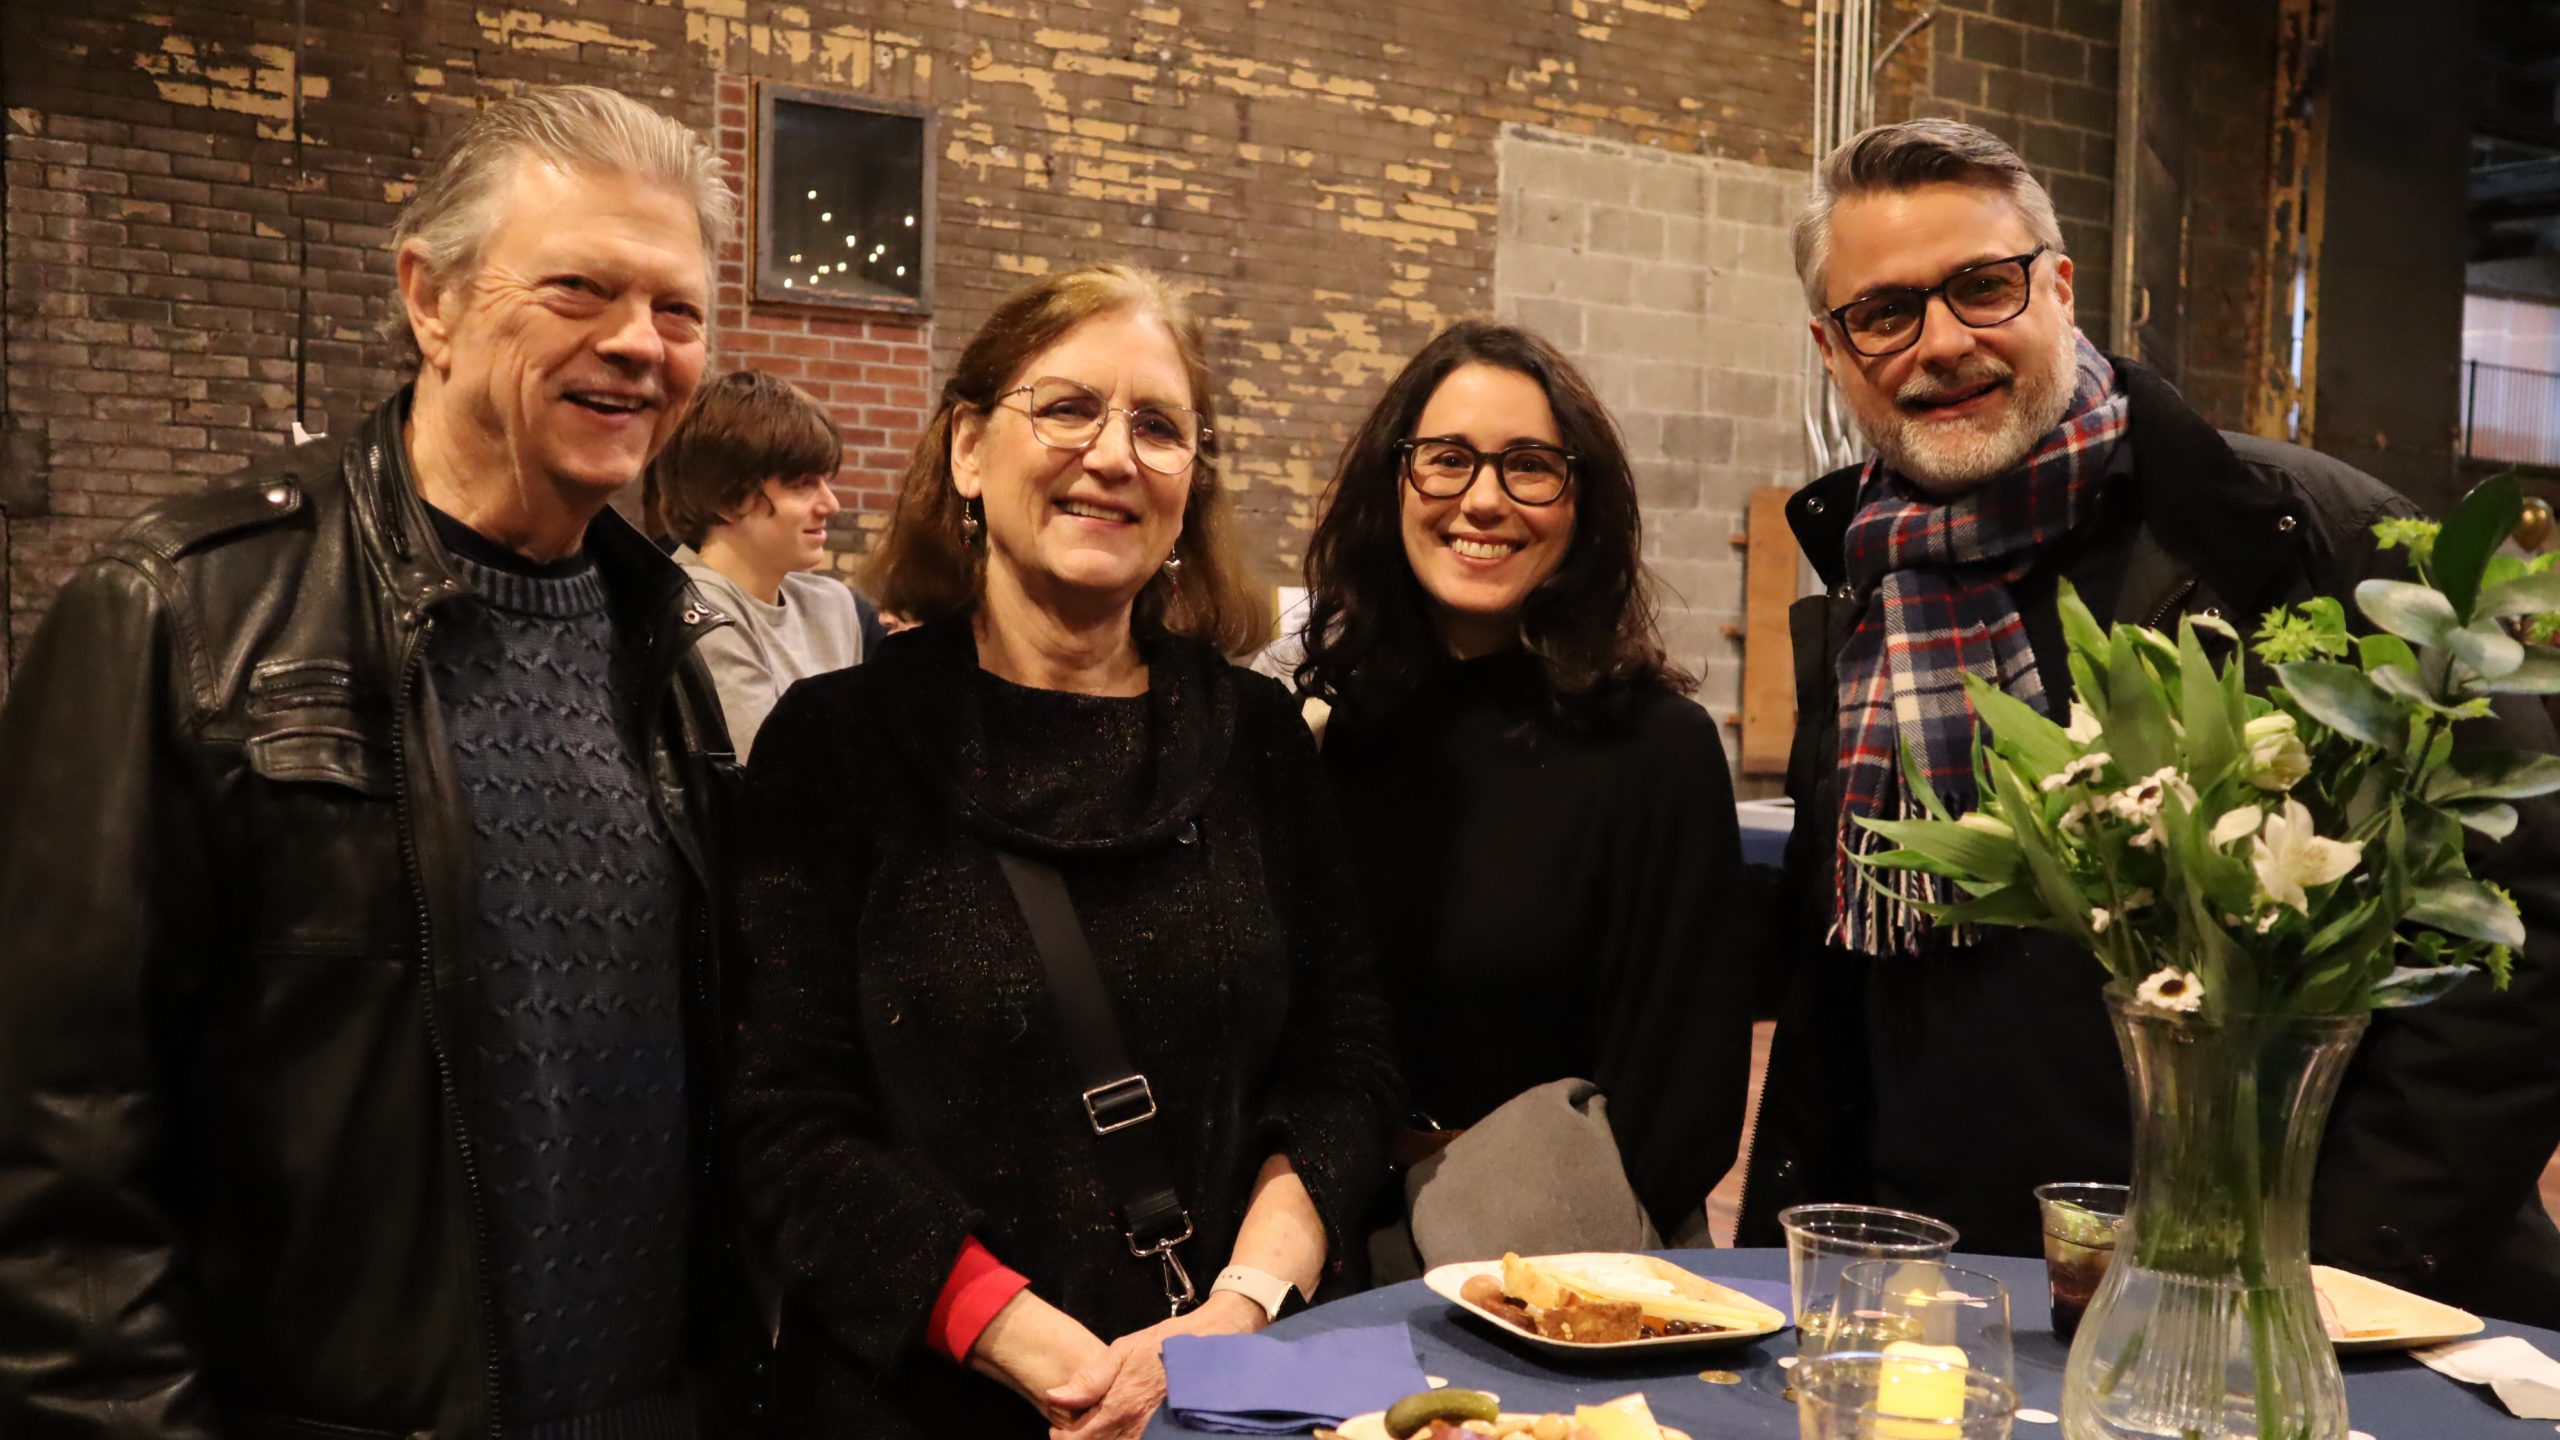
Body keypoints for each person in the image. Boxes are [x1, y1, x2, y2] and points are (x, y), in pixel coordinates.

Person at [0, 87, 760, 1438]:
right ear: (434, 300)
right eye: (581, 287)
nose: (638, 346)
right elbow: (59, 1172)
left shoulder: (666, 656)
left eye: (679, 310)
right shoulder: (181, 615)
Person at [1737, 118, 2560, 1326]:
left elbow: (2519, 929)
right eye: (1885, 312)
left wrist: (2334, 1266)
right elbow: (1840, 999)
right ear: (1832, 346)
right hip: (1937, 1285)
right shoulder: (1863, 587)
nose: (1942, 343)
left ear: (2058, 287)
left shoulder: (2309, 544)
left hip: (2263, 1297)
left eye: (1981, 286)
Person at [726, 262, 1401, 1439]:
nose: (1112, 454)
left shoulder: (1255, 743)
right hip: (922, 1401)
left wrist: (1238, 1309)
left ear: (1191, 484)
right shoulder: (837, 748)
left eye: (1158, 425)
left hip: (1224, 1397)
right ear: (969, 452)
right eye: (1067, 408)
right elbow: (784, 1117)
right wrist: (1035, 1347)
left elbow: (1344, 1065)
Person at [1295, 320, 1753, 1264]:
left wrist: (1540, 1275)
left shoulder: (1655, 748)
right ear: (1396, 482)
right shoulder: (1323, 734)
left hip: (1562, 1260)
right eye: (1449, 460)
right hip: (1327, 1246)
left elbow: (1685, 1097)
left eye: (1530, 466)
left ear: (1581, 501)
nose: (1485, 500)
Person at [651, 369, 872, 759]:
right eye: (803, 484)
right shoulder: (694, 610)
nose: (831, 505)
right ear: (726, 496)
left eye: (826, 481)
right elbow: (776, 784)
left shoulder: (831, 605)